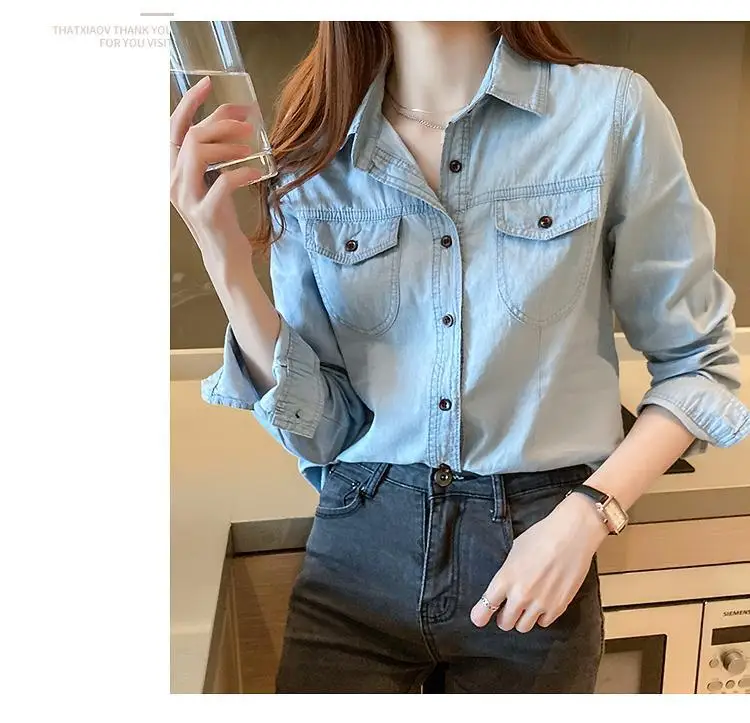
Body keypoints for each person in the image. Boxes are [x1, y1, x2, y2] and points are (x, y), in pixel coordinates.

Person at [169, 21, 750, 694]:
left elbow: (700, 366)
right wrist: (224, 259)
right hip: (356, 555)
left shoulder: (610, 114)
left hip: (535, 546)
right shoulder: (312, 151)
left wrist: (589, 514)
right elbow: (324, 430)